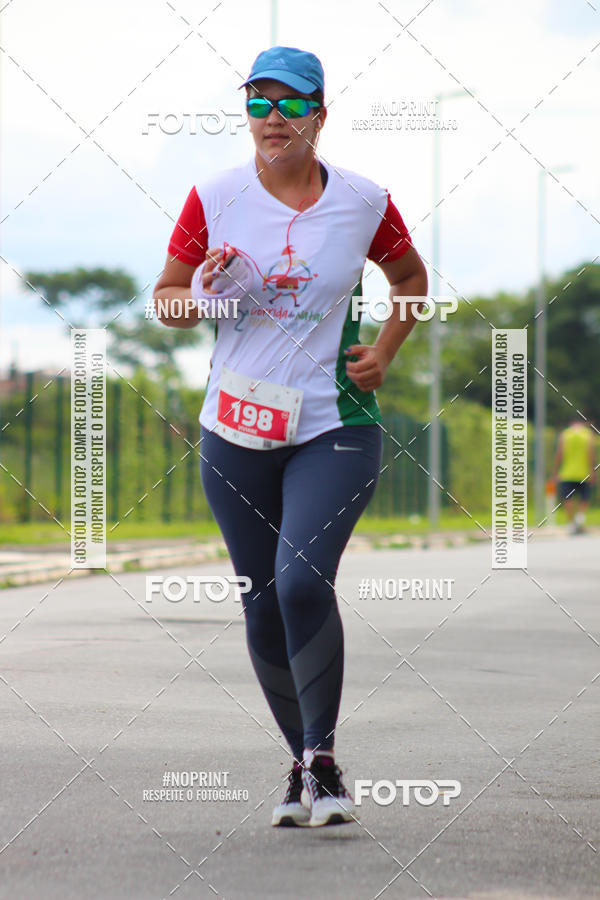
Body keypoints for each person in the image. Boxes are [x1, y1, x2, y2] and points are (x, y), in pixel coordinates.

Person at [154, 46, 428, 827]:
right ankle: (307, 764)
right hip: (234, 426)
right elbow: (166, 298)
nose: (273, 119)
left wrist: (384, 351)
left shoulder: (365, 200)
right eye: (259, 104)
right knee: (262, 601)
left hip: (334, 424)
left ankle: (324, 758)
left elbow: (409, 280)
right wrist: (202, 291)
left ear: (319, 113)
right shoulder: (215, 196)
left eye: (290, 104)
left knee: (303, 582)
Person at [553, 419, 596, 534]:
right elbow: (591, 454)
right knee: (584, 498)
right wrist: (592, 471)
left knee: (568, 498)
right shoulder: (588, 435)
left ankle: (571, 524)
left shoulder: (565, 434)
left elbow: (559, 453)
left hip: (567, 473)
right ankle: (579, 519)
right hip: (584, 473)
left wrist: (556, 471)